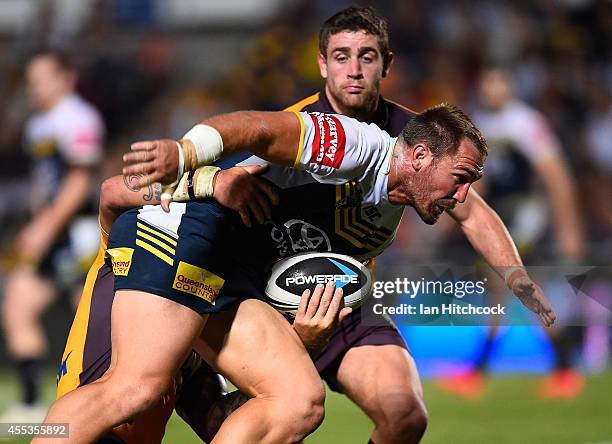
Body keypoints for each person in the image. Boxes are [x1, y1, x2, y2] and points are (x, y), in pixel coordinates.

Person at [437, 66, 585, 399]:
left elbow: (556, 176)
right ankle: (553, 367)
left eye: (498, 83)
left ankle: (562, 366)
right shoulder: (481, 123)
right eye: (487, 84)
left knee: (517, 286)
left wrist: (568, 228)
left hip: (525, 213)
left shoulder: (525, 123)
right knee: (504, 290)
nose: (492, 90)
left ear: (510, 87)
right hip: (502, 213)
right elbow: (482, 177)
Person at [1, 49, 104, 423]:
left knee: (93, 320)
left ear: (66, 78)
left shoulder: (78, 117)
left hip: (77, 232)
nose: (35, 88)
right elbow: (43, 181)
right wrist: (34, 221)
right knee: (17, 307)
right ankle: (31, 401)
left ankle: (110, 399)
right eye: (31, 81)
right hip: (50, 234)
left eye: (42, 79)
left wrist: (43, 227)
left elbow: (79, 180)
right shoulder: (38, 124)